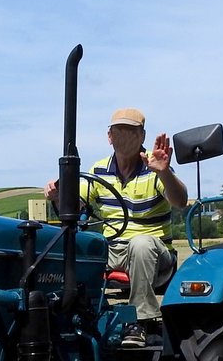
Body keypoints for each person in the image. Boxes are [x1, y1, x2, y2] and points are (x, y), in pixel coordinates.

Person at [45, 107, 188, 348]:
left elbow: (180, 200)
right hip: (112, 249)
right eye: (119, 130)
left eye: (131, 131)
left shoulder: (154, 167)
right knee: (75, 245)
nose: (124, 136)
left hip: (154, 253)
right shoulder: (99, 170)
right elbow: (76, 205)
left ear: (141, 136)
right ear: (109, 136)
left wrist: (165, 174)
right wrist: (57, 196)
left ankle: (140, 321)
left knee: (140, 243)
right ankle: (78, 315)